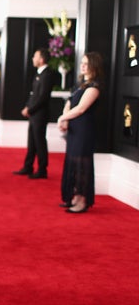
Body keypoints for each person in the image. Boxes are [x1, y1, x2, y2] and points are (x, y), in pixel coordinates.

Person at [57, 52, 103, 213]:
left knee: (82, 165)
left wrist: (62, 118)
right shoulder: (79, 85)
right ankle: (75, 197)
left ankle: (83, 201)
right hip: (74, 129)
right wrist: (65, 119)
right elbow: (69, 103)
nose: (82, 66)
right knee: (73, 164)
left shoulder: (94, 87)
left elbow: (81, 108)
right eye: (82, 63)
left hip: (84, 131)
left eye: (86, 63)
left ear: (94, 66)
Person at [13, 48, 57, 179]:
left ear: (41, 59)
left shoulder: (47, 75)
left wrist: (29, 109)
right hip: (34, 114)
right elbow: (33, 95)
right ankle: (28, 166)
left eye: (35, 56)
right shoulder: (39, 74)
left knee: (39, 142)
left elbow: (42, 97)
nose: (33, 58)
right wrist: (28, 107)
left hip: (40, 114)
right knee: (31, 142)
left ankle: (42, 169)